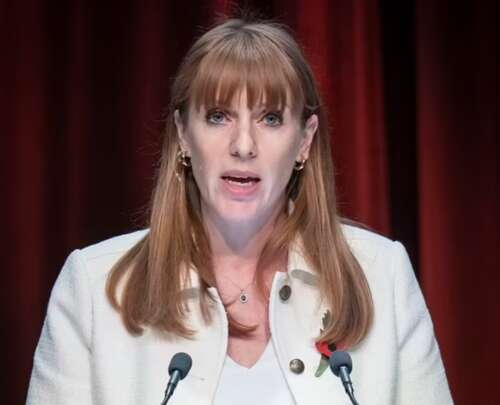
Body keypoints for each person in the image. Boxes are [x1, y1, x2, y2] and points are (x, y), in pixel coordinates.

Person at [26, 17, 453, 405]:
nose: (244, 145)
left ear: (305, 140)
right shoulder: (95, 289)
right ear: (183, 134)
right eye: (218, 116)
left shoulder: (382, 274)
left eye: (270, 118)